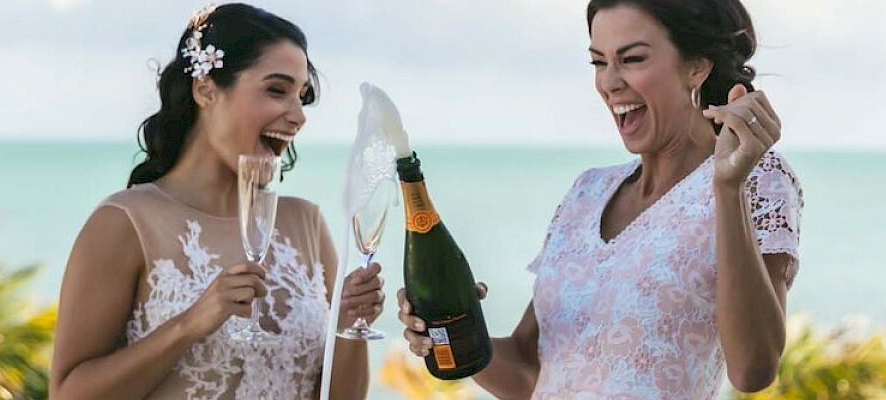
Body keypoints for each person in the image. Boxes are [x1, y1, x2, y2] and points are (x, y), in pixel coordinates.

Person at [395, 0, 805, 398]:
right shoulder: (586, 193)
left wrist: (728, 187)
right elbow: (526, 374)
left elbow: (753, 370)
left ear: (697, 65)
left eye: (632, 59)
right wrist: (445, 327)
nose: (609, 82)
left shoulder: (754, 179)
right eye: (598, 62)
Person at [50, 4, 384, 399]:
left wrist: (347, 324)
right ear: (206, 89)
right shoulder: (125, 221)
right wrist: (192, 323)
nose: (298, 116)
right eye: (277, 90)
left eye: (302, 97)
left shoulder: (305, 223)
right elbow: (68, 394)